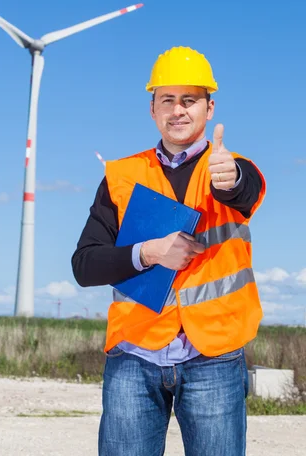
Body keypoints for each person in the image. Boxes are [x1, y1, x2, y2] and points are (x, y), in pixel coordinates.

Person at [71, 46, 266, 456]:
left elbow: (243, 191)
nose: (178, 110)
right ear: (152, 109)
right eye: (167, 100)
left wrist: (229, 178)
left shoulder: (231, 168)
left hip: (213, 355)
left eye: (190, 100)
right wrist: (148, 252)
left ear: (209, 108)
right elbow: (85, 265)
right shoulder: (122, 177)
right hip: (134, 357)